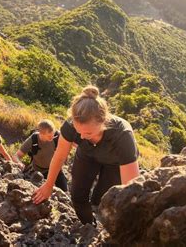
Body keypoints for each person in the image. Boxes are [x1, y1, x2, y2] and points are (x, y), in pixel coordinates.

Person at [32, 86, 140, 224]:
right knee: (77, 196)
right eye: (79, 131)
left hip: (114, 163)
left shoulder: (122, 136)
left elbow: (131, 186)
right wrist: (48, 185)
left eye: (88, 133)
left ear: (103, 123)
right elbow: (59, 157)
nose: (82, 136)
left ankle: (100, 226)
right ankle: (88, 226)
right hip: (87, 155)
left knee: (102, 199)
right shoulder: (70, 126)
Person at [13, 119, 68, 192]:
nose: (52, 138)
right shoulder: (33, 139)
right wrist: (19, 163)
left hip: (55, 169)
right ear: (41, 134)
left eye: (53, 134)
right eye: (49, 136)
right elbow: (16, 156)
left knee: (64, 191)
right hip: (39, 173)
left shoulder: (57, 136)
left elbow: (67, 146)